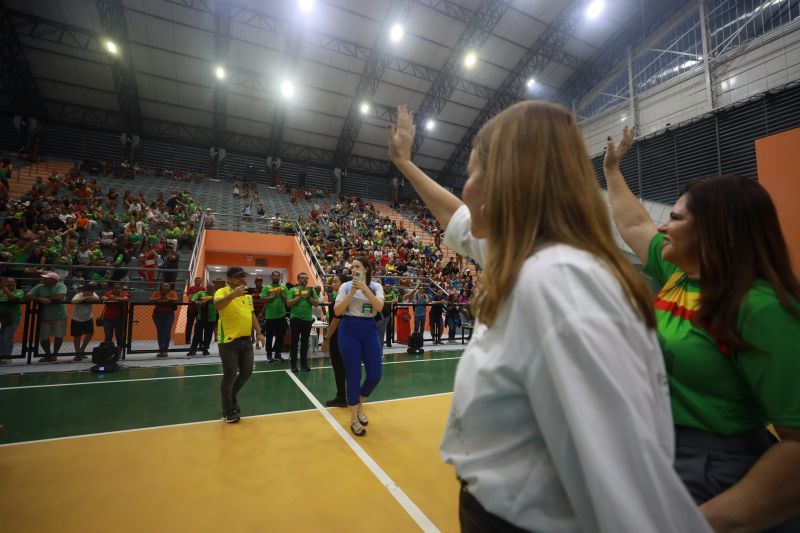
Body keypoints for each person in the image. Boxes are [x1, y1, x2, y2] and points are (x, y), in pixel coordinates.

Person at [386, 102, 710, 531]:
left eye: (472, 174)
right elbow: (455, 216)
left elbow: (626, 491)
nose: (466, 191)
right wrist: (405, 164)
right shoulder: (527, 256)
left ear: (511, 181)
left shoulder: (557, 282)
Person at [604, 127, 800, 531]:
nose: (662, 228)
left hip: (713, 473)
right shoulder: (682, 272)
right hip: (664, 456)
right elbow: (634, 224)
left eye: (674, 218)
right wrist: (611, 171)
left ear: (713, 230)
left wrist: (698, 523)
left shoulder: (758, 308)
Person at [333, 257, 385, 436]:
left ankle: (359, 404)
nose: (353, 269)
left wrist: (364, 288)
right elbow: (338, 311)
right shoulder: (345, 286)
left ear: (367, 269)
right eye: (352, 266)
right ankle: (354, 418)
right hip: (349, 331)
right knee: (353, 375)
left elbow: (378, 307)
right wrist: (353, 291)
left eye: (358, 266)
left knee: (375, 375)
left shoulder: (376, 286)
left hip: (369, 330)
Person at [214, 266, 265, 423]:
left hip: (246, 341)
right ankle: (227, 410)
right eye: (238, 277)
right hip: (228, 341)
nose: (242, 279)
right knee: (229, 375)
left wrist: (259, 332)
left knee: (247, 371)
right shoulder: (222, 292)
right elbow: (217, 305)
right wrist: (232, 295)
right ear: (229, 279)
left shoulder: (246, 295)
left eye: (243, 277)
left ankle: (232, 396)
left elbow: (251, 315)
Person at [25, 272, 68, 363]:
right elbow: (28, 296)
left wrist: (48, 300)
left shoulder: (61, 286)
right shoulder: (39, 286)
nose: (43, 279)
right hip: (44, 316)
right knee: (43, 337)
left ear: (53, 280)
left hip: (59, 315)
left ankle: (54, 354)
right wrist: (41, 299)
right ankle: (48, 354)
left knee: (59, 336)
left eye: (46, 278)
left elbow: (59, 297)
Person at [321, 274, 347, 407]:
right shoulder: (339, 297)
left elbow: (336, 320)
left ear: (343, 283)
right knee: (342, 368)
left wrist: (326, 339)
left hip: (338, 336)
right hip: (340, 336)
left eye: (336, 282)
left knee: (339, 368)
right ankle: (343, 396)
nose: (332, 284)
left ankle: (342, 397)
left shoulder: (341, 299)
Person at [287, 272, 319, 373]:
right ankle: (293, 365)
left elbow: (317, 304)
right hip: (295, 319)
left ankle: (304, 365)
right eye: (302, 278)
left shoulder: (311, 290)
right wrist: (298, 297)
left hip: (307, 320)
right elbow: (288, 304)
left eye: (306, 278)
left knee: (305, 343)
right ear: (298, 279)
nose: (304, 280)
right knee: (294, 343)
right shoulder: (292, 290)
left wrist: (309, 297)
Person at [261, 271, 287, 362]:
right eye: (274, 276)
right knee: (269, 336)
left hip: (281, 316)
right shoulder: (266, 287)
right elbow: (262, 299)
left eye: (277, 276)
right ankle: (269, 354)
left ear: (279, 277)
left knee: (280, 337)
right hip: (270, 317)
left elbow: (287, 300)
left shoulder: (283, 287)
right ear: (271, 277)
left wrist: (281, 295)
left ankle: (278, 354)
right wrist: (273, 296)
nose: (276, 277)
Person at [70, 284, 99, 360]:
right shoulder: (78, 295)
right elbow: (73, 301)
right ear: (83, 291)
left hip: (88, 318)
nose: (89, 292)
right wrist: (84, 298)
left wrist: (88, 297)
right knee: (77, 336)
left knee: (90, 334)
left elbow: (97, 299)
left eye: (90, 291)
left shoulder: (93, 294)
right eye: (86, 291)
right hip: (76, 318)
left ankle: (82, 349)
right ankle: (77, 354)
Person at [149, 282, 178, 357]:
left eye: (167, 286)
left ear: (169, 287)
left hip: (169, 314)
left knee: (167, 332)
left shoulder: (172, 292)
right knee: (160, 332)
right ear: (161, 287)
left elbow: (176, 299)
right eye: (164, 286)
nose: (165, 287)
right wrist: (158, 299)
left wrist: (169, 299)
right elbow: (150, 299)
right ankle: (161, 349)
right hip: (158, 314)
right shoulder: (157, 293)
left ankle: (165, 350)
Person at [0, 277, 24, 363]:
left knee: (7, 336)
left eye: (11, 282)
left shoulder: (19, 292)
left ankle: (7, 357)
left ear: (15, 283)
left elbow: (13, 299)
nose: (9, 284)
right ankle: (1, 356)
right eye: (7, 282)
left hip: (13, 317)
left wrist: (4, 288)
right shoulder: (1, 291)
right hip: (1, 317)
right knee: (1, 337)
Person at [187, 287, 216, 356]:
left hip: (211, 318)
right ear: (206, 288)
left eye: (212, 288)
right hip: (201, 317)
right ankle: (193, 350)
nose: (211, 289)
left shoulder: (216, 294)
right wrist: (195, 301)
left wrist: (206, 300)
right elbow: (193, 298)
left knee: (208, 335)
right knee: (197, 334)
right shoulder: (201, 293)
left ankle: (205, 349)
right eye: (210, 288)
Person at [101, 282, 129, 348]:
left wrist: (114, 298)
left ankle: (119, 351)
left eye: (119, 288)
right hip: (107, 318)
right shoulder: (108, 293)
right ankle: (108, 351)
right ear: (112, 289)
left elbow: (126, 299)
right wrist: (106, 298)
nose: (117, 289)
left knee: (119, 336)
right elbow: (103, 297)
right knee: (108, 335)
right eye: (115, 288)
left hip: (119, 318)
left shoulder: (124, 293)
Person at [185, 276, 205, 344]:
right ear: (194, 281)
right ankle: (187, 340)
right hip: (191, 308)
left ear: (201, 282)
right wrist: (198, 298)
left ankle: (199, 340)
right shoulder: (190, 288)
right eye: (197, 280)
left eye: (200, 281)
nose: (198, 282)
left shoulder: (203, 288)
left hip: (200, 309)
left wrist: (195, 297)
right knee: (189, 324)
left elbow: (203, 298)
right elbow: (190, 298)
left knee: (199, 325)